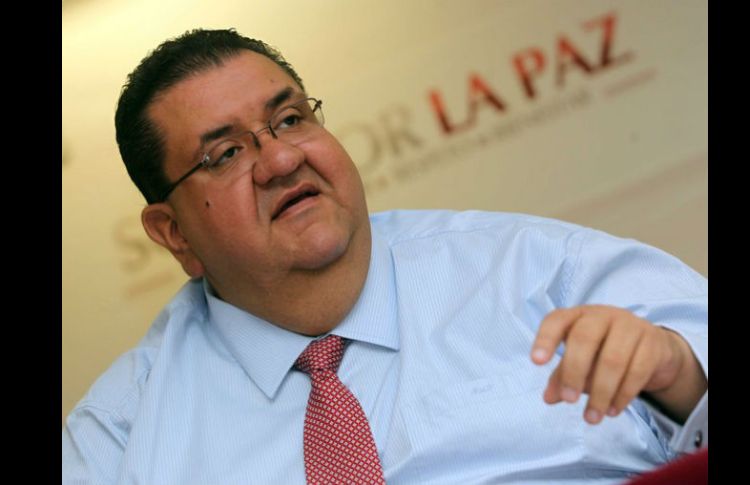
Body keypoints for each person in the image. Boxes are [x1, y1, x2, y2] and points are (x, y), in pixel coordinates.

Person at [62, 28, 708, 485]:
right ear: (173, 233)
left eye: (290, 119)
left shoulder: (539, 271)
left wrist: (681, 380)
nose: (281, 159)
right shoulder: (117, 439)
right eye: (226, 154)